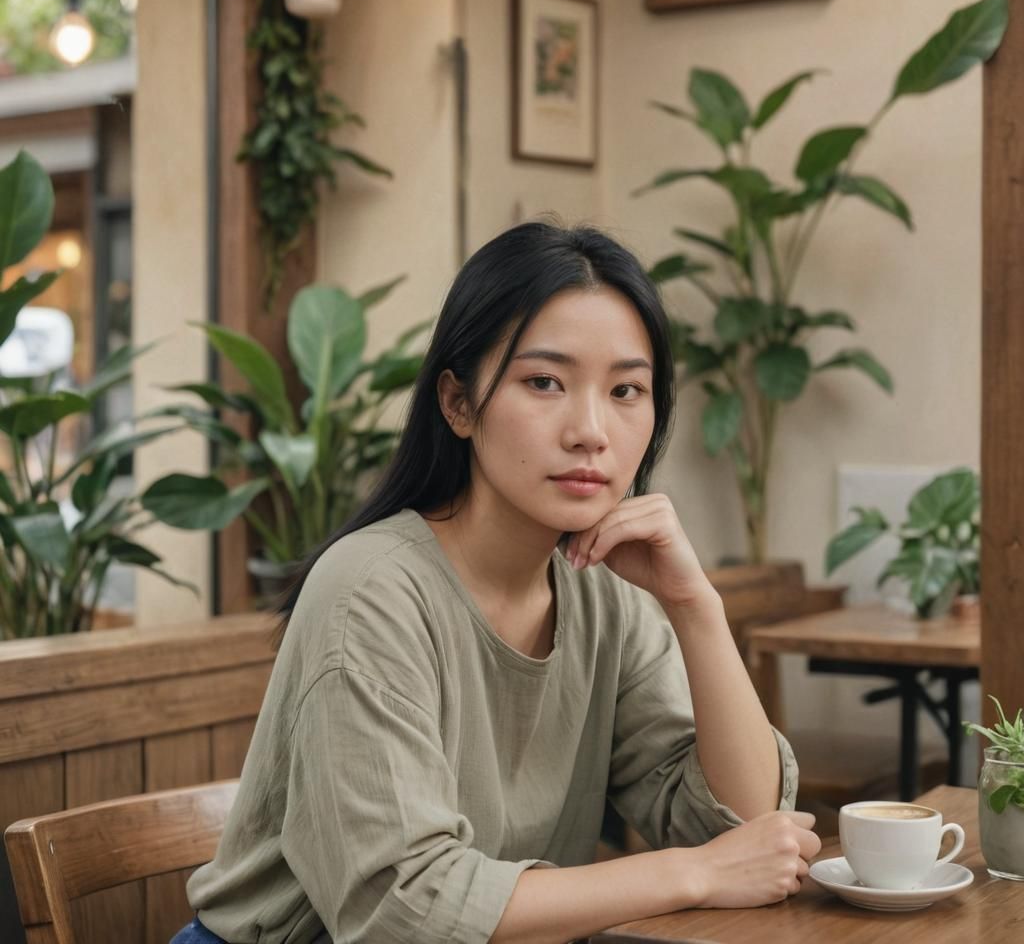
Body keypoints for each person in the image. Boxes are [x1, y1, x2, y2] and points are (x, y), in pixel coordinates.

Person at [171, 222, 820, 944]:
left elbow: (742, 827)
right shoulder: (371, 591)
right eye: (544, 382)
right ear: (458, 403)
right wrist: (691, 873)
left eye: (627, 390)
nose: (590, 431)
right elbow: (402, 908)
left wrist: (695, 606)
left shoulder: (605, 594)